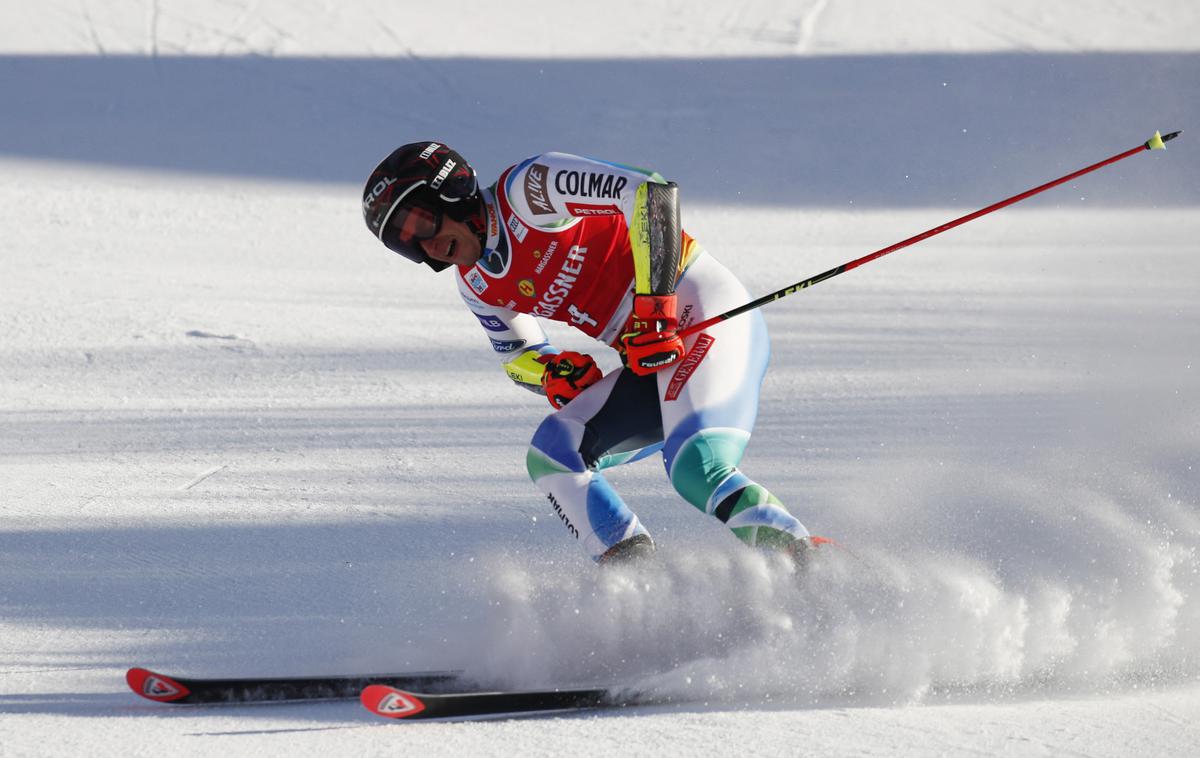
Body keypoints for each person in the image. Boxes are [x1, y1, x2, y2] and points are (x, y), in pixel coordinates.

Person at [362, 141, 818, 566]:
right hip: (650, 352)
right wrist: (551, 372)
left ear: (453, 191)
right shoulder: (477, 284)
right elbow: (517, 355)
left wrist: (655, 306)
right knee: (554, 454)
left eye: (421, 224)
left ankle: (813, 566)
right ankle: (641, 586)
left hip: (702, 311)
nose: (426, 247)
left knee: (696, 468)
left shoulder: (530, 190)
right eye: (405, 244)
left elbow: (652, 194)